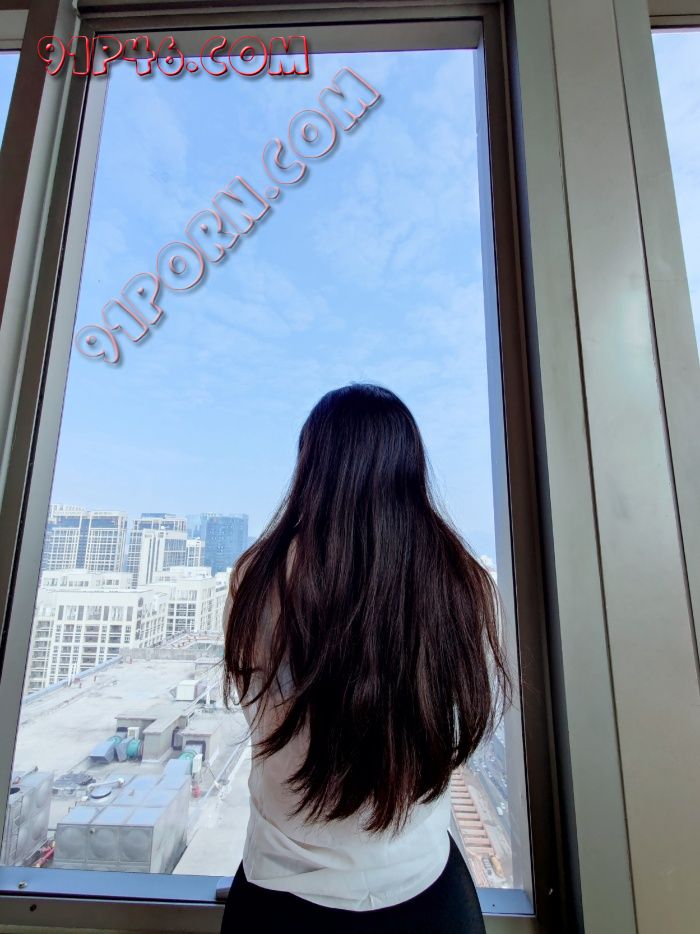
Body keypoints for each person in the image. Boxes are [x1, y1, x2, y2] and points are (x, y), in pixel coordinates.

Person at [220, 384, 513, 933]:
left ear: (311, 467)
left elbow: (256, 708)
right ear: (409, 468)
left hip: (281, 889)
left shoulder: (256, 579)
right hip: (425, 889)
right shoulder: (460, 582)